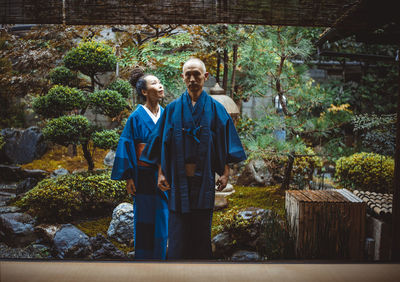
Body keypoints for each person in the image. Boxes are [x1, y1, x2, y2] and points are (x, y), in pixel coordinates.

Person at [140, 58, 246, 259]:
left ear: (205, 77)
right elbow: (162, 143)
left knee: (201, 234)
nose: (192, 79)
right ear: (183, 77)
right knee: (178, 234)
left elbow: (224, 142)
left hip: (204, 179)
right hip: (177, 181)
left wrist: (225, 172)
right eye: (187, 74)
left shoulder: (215, 109)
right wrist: (161, 173)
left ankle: (201, 274)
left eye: (196, 74)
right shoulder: (172, 109)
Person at [111, 68, 168, 260]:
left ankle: (161, 261)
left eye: (159, 82)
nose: (159, 86)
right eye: (154, 83)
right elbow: (126, 144)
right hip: (143, 177)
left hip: (164, 176)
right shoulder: (136, 117)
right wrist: (128, 177)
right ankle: (143, 263)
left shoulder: (167, 114)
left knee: (162, 221)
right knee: (144, 221)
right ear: (144, 92)